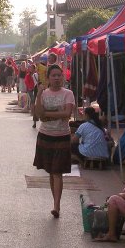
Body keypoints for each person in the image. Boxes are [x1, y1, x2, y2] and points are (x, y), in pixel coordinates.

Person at [33, 64, 75, 218]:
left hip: (62, 136)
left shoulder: (68, 93)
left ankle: (57, 206)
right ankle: (55, 201)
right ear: (48, 78)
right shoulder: (43, 94)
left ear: (63, 77)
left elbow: (67, 113)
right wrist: (38, 95)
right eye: (54, 75)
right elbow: (39, 115)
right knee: (51, 172)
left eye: (59, 75)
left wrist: (47, 114)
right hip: (45, 136)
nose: (57, 78)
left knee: (57, 172)